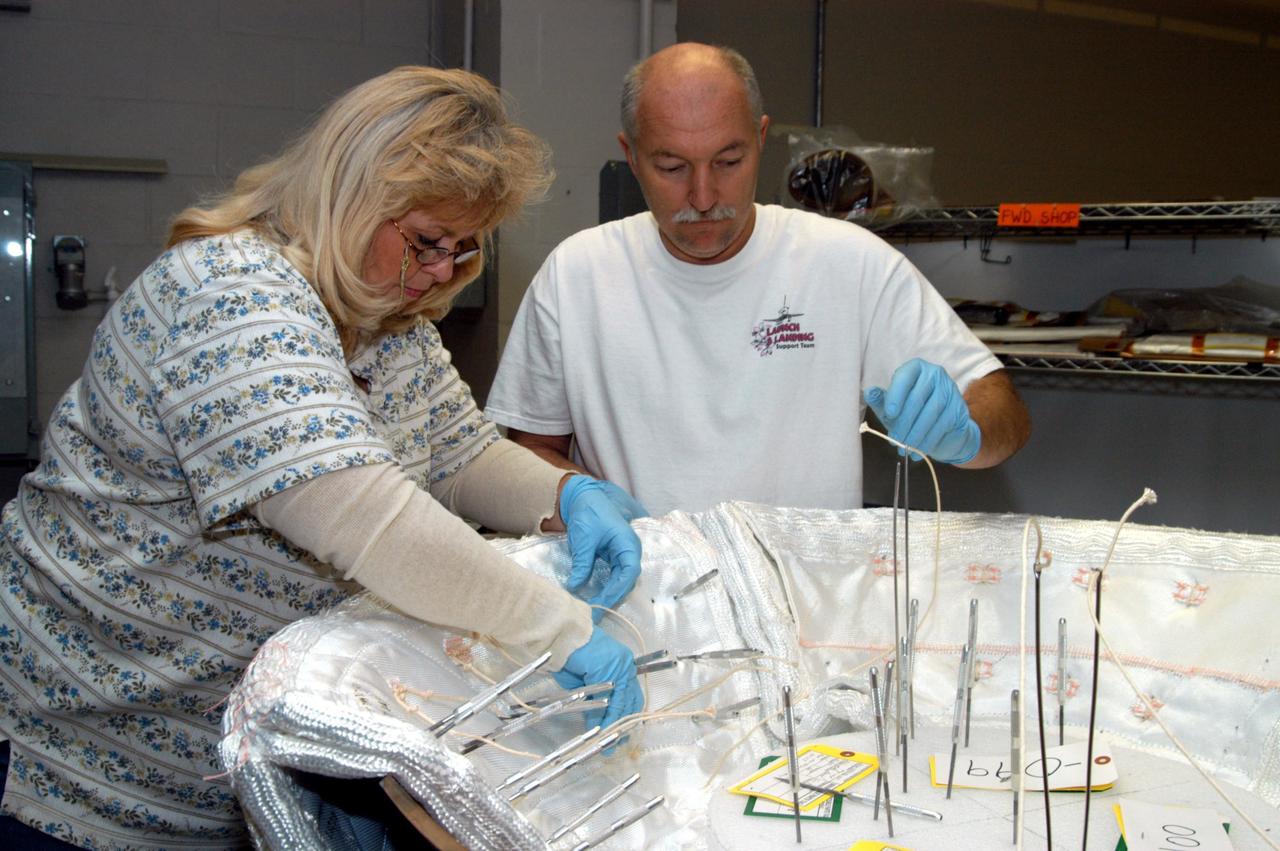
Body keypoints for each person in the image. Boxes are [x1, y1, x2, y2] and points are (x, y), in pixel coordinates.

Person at [0, 66, 646, 850]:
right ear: (352, 194)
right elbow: (365, 518)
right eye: (427, 243)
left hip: (212, 763)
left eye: (464, 250)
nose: (442, 273)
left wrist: (568, 492)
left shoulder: (388, 316)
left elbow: (461, 454)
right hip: (81, 764)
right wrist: (559, 626)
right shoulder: (230, 292)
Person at [486, 43, 1031, 517]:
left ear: (761, 138)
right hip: (647, 590)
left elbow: (1003, 411)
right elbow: (529, 449)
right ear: (630, 155)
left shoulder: (847, 262)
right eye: (672, 167)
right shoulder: (577, 275)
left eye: (728, 161)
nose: (703, 197)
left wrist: (965, 432)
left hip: (805, 600)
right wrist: (574, 499)